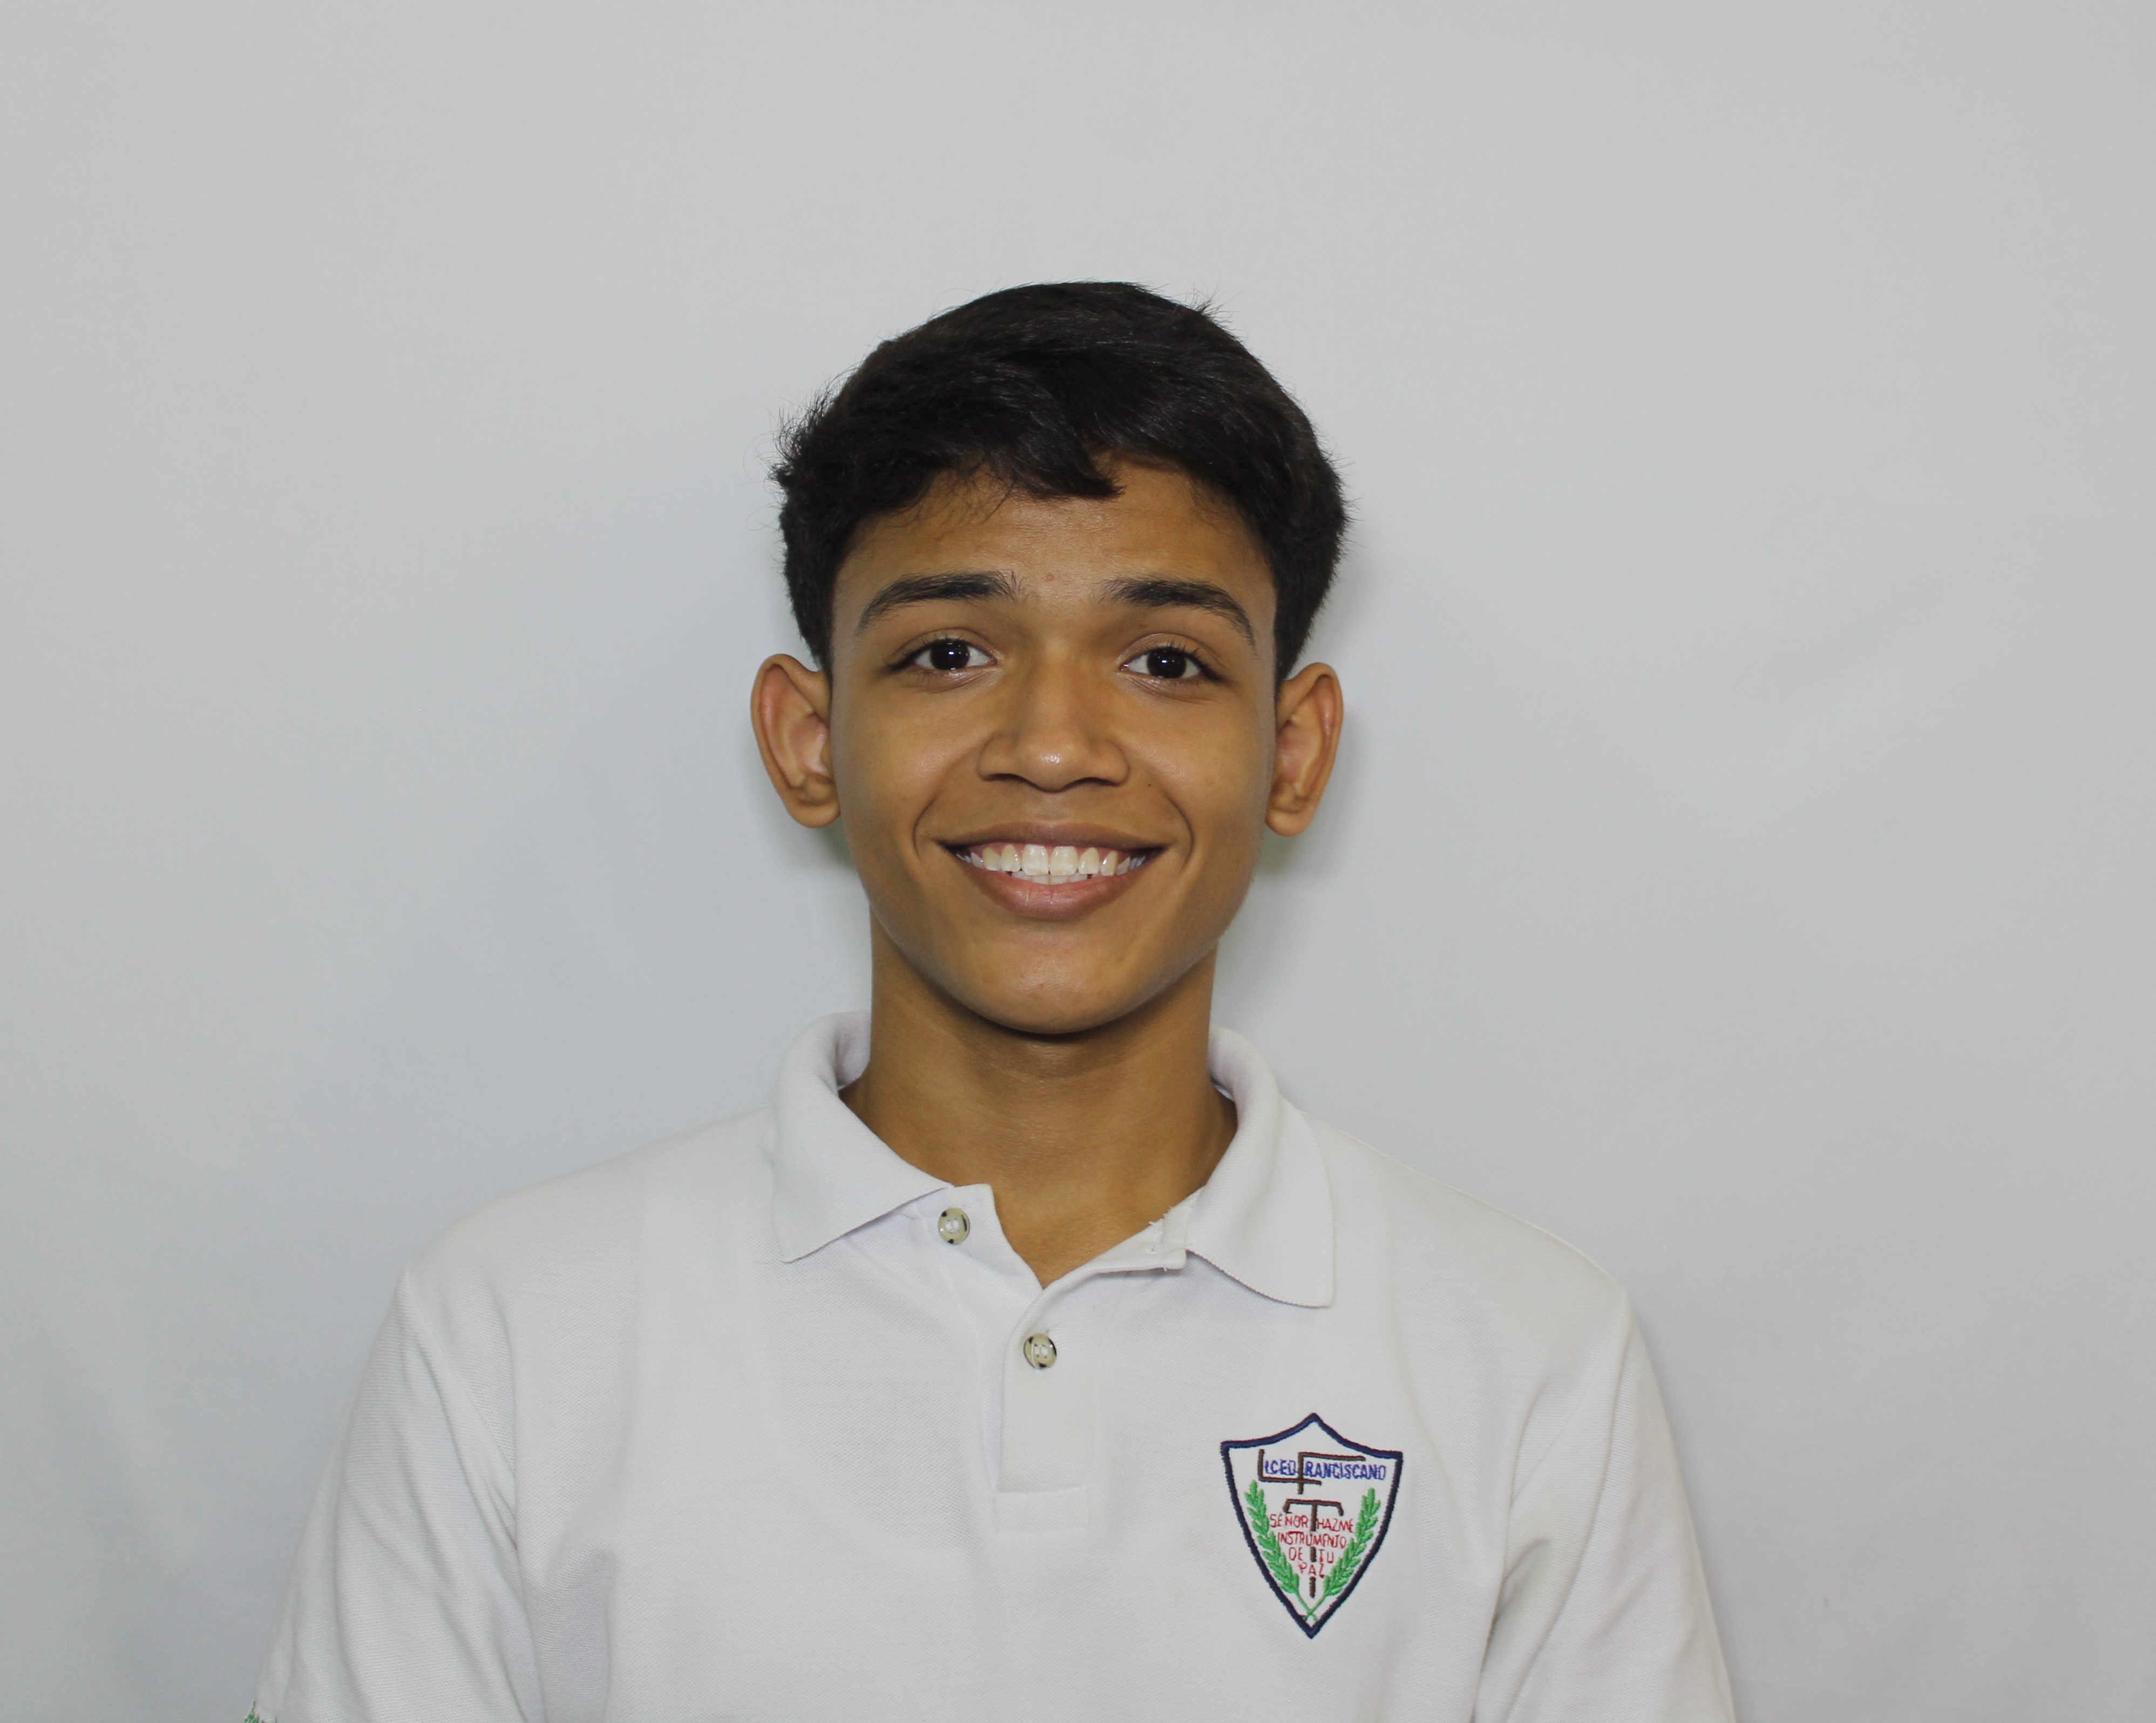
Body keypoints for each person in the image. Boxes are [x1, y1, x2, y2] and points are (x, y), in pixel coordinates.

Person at [250, 282, 1733, 1722]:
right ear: (810, 738)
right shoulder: (512, 1333)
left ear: (1291, 752)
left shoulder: (1529, 1356)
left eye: (1166, 660)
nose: (1053, 744)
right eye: (949, 653)